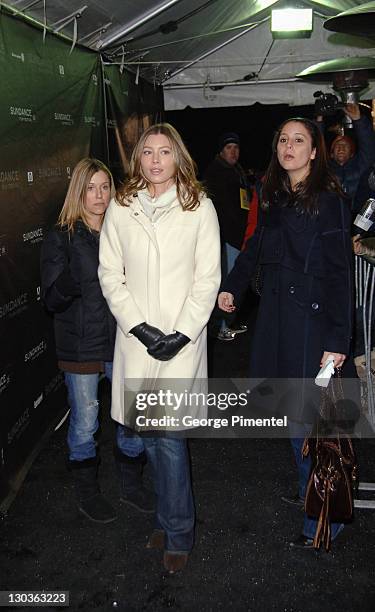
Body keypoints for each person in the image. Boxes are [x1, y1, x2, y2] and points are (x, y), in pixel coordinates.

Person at [218, 118, 354, 549]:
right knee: (293, 415)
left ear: (315, 151)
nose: (288, 146)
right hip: (277, 321)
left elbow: (339, 274)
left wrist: (337, 341)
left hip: (312, 326)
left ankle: (325, 517)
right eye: (282, 139)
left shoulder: (328, 201)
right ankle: (306, 486)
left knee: (309, 422)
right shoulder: (275, 196)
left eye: (299, 140)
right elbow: (256, 247)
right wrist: (232, 287)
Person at [98, 123, 221, 572]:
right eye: (146, 152)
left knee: (168, 441)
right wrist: (138, 328)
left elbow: (208, 278)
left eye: (164, 152)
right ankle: (166, 519)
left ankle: (180, 533)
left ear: (177, 157)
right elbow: (110, 274)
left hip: (180, 344)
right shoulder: (121, 206)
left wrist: (182, 333)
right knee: (147, 436)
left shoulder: (198, 206)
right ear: (138, 159)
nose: (154, 160)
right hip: (137, 343)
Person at [40, 158, 154, 525]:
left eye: (105, 186)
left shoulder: (123, 229)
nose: (100, 195)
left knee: (131, 418)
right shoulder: (62, 235)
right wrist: (74, 275)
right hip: (81, 345)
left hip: (123, 341)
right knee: (85, 422)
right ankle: (88, 494)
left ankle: (131, 486)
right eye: (91, 187)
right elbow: (52, 300)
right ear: (78, 190)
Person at [204, 132, 251, 340]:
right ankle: (221, 326)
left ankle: (226, 322)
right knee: (226, 282)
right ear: (221, 151)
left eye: (236, 148)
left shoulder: (235, 171)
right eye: (229, 148)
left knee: (230, 282)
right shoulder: (216, 173)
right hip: (224, 238)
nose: (233, 152)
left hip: (234, 237)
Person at [317, 103, 375, 205]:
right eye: (337, 145)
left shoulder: (361, 166)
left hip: (357, 217)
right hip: (332, 217)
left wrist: (358, 119)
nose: (341, 148)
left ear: (352, 154)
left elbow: (368, 144)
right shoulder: (324, 169)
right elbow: (316, 148)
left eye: (346, 146)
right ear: (331, 154)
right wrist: (319, 119)